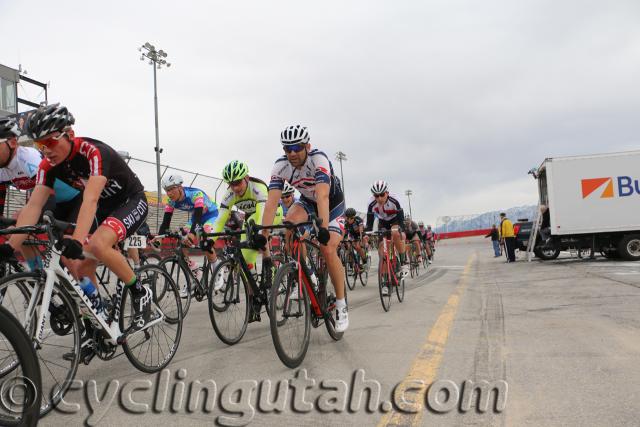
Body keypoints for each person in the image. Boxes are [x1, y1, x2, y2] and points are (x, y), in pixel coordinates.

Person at [0, 104, 152, 335]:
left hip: (130, 200)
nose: (45, 150)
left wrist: (78, 241)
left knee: (98, 244)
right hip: (105, 207)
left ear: (69, 135)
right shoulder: (46, 165)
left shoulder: (92, 151)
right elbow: (34, 205)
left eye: (49, 142)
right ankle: (97, 321)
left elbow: (90, 200)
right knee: (80, 268)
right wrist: (11, 247)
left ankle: (141, 292)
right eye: (39, 145)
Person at [261, 125, 349, 332]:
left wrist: (323, 229)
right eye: (287, 149)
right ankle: (300, 271)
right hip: (308, 202)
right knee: (289, 224)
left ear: (307, 146)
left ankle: (341, 304)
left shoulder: (319, 160)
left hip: (332, 205)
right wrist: (263, 234)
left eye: (297, 147)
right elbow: (271, 203)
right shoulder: (280, 166)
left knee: (327, 249)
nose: (292, 153)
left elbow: (323, 196)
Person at [0, 116, 80, 271]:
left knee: (68, 257)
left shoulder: (27, 158)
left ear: (12, 143)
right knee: (23, 238)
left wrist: (21, 219)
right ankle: (38, 275)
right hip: (49, 202)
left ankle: (88, 293)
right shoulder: (2, 169)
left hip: (72, 201)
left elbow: (44, 196)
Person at [209, 160, 283, 321]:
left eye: (237, 183)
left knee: (257, 232)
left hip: (272, 212)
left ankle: (268, 266)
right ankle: (253, 298)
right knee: (246, 262)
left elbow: (263, 214)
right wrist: (211, 240)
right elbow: (220, 219)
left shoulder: (258, 187)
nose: (235, 188)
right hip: (252, 217)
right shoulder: (229, 194)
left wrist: (262, 234)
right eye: (230, 184)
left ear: (246, 178)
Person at [158, 174, 219, 296]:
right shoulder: (171, 201)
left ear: (180, 187)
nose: (169, 193)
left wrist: (192, 234)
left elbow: (197, 217)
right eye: (166, 190)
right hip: (195, 218)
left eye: (171, 189)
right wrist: (159, 238)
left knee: (204, 238)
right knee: (182, 239)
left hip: (211, 216)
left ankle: (217, 270)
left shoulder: (195, 195)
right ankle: (194, 270)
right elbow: (165, 223)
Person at [365, 180, 409, 284]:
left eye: (382, 195)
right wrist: (366, 234)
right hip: (383, 222)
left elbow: (401, 221)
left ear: (387, 193)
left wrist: (400, 230)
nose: (379, 198)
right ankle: (385, 281)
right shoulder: (371, 204)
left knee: (395, 233)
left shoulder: (395, 200)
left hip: (395, 220)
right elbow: (369, 224)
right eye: (376, 196)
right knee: (382, 249)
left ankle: (403, 262)